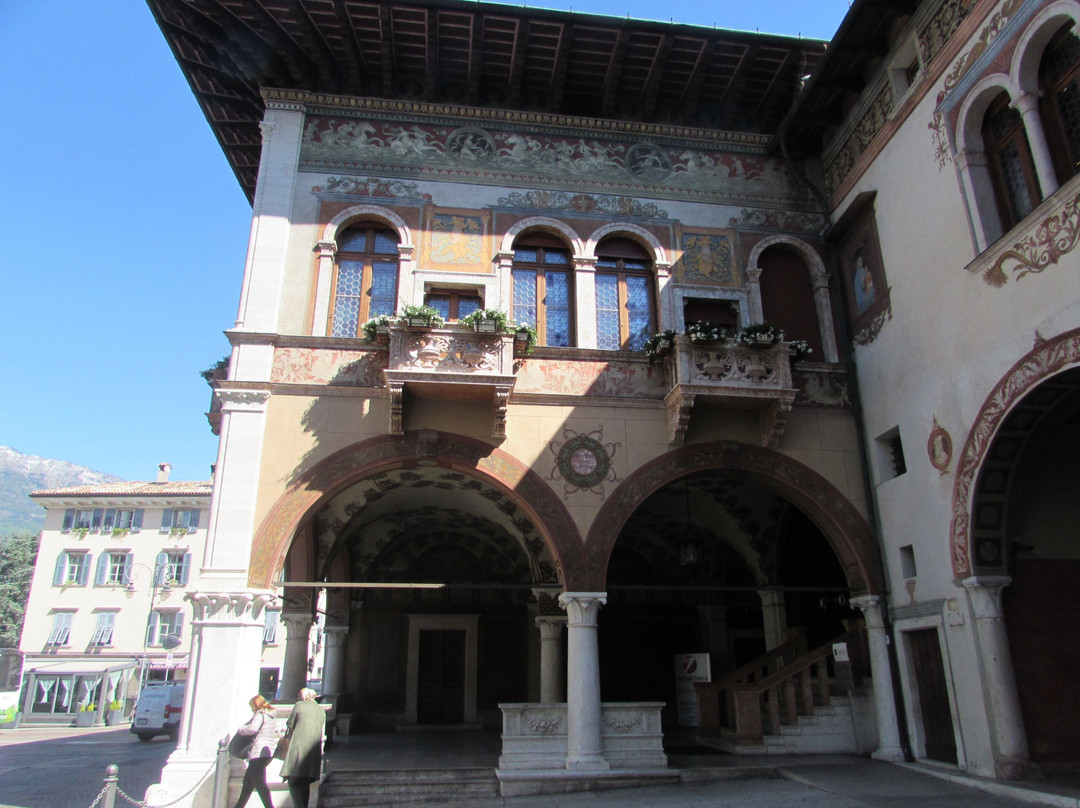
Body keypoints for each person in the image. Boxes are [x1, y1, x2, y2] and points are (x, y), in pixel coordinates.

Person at [232, 695, 282, 808]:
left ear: (256, 704)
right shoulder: (272, 715)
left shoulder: (260, 714)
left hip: (258, 752)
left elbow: (252, 729)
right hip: (268, 752)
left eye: (252, 706)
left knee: (260, 784)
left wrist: (241, 728)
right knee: (248, 784)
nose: (252, 709)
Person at [279, 687, 326, 808]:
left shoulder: (299, 705)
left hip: (298, 750)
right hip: (313, 753)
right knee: (305, 783)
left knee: (294, 781)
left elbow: (290, 723)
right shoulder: (321, 711)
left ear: (303, 696)